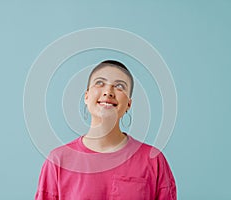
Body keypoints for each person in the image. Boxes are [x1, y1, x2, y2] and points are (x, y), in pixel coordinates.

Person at [35, 60, 176, 200]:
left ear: (128, 104)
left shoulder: (153, 160)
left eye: (119, 86)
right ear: (86, 96)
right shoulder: (58, 161)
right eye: (100, 83)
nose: (108, 92)